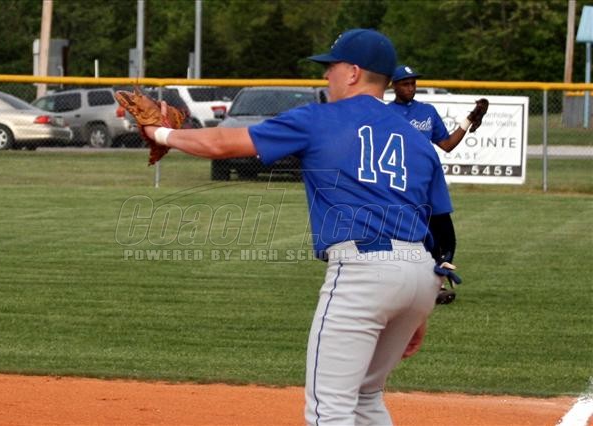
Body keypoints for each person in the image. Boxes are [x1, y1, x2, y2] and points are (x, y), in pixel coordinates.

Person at [142, 29, 456, 426]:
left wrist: (160, 133)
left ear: (353, 72)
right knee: (366, 398)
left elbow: (222, 143)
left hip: (365, 273)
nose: (325, 76)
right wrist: (414, 308)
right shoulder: (417, 140)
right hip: (420, 275)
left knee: (330, 409)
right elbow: (438, 229)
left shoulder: (320, 118)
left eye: (331, 67)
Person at [387, 65, 469, 305]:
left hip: (431, 182)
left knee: (445, 236)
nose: (410, 87)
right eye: (405, 83)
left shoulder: (427, 111)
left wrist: (467, 121)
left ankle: (436, 283)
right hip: (402, 185)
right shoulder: (385, 114)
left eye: (413, 83)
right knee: (409, 239)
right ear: (394, 85)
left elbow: (447, 144)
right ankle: (418, 287)